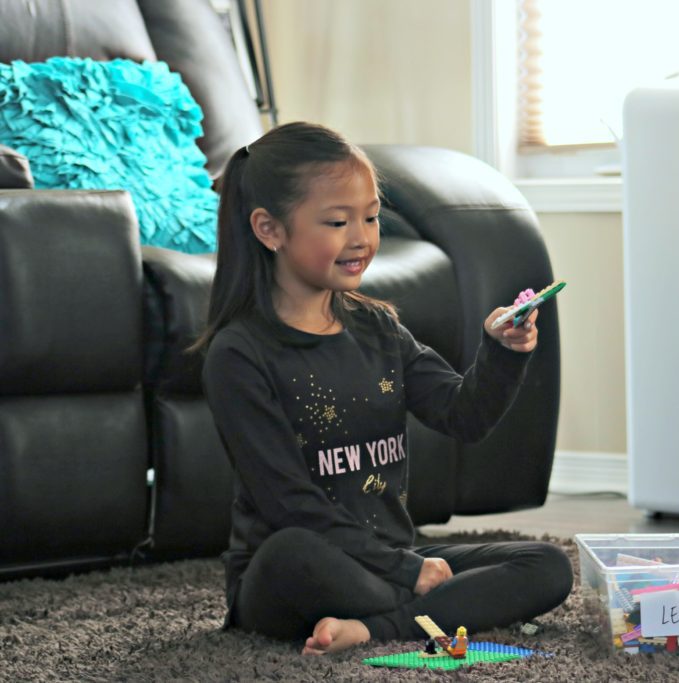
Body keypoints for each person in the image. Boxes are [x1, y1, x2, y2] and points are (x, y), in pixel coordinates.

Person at [192, 122, 573, 655]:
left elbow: (463, 415)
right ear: (269, 229)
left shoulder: (377, 328)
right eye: (337, 221)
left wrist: (503, 354)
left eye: (371, 217)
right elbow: (290, 505)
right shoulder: (239, 355)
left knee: (546, 566)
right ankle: (412, 613)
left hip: (391, 556)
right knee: (293, 551)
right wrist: (408, 570)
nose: (362, 238)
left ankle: (373, 627)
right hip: (296, 570)